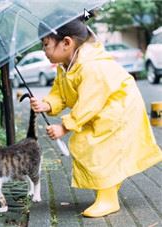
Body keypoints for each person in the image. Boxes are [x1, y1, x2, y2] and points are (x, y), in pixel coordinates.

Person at [31, 16, 162, 217]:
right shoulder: (64, 65)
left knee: (92, 145)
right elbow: (60, 93)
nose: (43, 50)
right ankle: (109, 185)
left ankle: (108, 199)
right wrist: (47, 103)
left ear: (66, 43)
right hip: (103, 109)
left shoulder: (90, 64)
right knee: (100, 148)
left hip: (118, 108)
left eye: (46, 44)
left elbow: (89, 102)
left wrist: (65, 127)